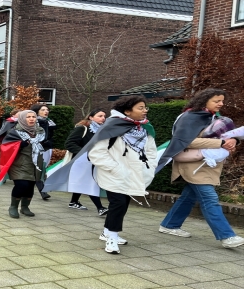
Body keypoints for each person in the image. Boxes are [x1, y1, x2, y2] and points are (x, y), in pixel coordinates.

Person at [158, 88, 243, 248]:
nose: (221, 103)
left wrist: (234, 141)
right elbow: (184, 141)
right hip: (192, 165)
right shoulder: (189, 117)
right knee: (209, 199)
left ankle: (169, 225)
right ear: (205, 100)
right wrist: (221, 143)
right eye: (217, 101)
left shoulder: (213, 117)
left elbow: (225, 136)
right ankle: (227, 236)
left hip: (203, 165)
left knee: (189, 197)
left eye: (222, 100)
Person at [87, 95, 157, 254]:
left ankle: (106, 232)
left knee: (123, 203)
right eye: (140, 108)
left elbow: (151, 151)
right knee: (118, 204)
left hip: (134, 174)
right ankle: (112, 237)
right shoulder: (112, 127)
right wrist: (116, 169)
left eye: (145, 107)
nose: (145, 110)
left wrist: (150, 166)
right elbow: (96, 153)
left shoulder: (145, 128)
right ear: (127, 111)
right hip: (113, 175)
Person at [0, 110, 46, 218]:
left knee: (30, 186)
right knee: (22, 184)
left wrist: (47, 144)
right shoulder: (15, 132)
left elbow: (43, 144)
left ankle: (25, 207)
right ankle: (13, 207)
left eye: (33, 116)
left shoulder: (40, 131)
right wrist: (19, 145)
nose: (31, 119)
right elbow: (5, 146)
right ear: (22, 118)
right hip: (19, 163)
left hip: (35, 163)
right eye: (28, 117)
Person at [64, 108, 109, 215]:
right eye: (100, 116)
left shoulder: (103, 131)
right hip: (81, 162)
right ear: (91, 117)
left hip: (95, 161)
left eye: (104, 116)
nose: (103, 118)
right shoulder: (82, 128)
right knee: (90, 182)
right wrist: (85, 154)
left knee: (82, 181)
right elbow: (69, 143)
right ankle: (100, 208)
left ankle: (74, 201)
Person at [31, 104, 57, 200]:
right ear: (37, 111)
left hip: (48, 147)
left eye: (47, 109)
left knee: (43, 168)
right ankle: (42, 190)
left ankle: (40, 187)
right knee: (38, 169)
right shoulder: (35, 121)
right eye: (43, 110)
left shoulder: (49, 121)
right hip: (39, 148)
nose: (46, 111)